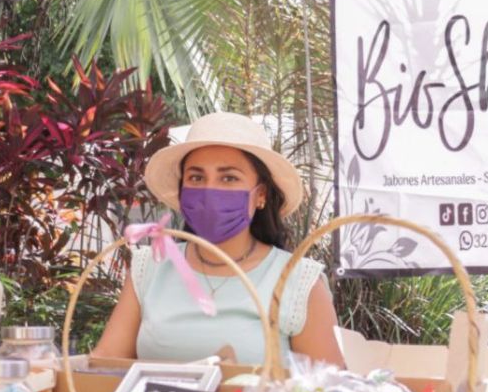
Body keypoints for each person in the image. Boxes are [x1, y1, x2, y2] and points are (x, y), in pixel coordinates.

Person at [93, 111, 344, 368]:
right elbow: (103, 365)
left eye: (229, 178)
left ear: (261, 195)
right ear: (182, 191)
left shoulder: (298, 280)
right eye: (196, 177)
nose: (209, 191)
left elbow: (329, 386)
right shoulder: (150, 268)